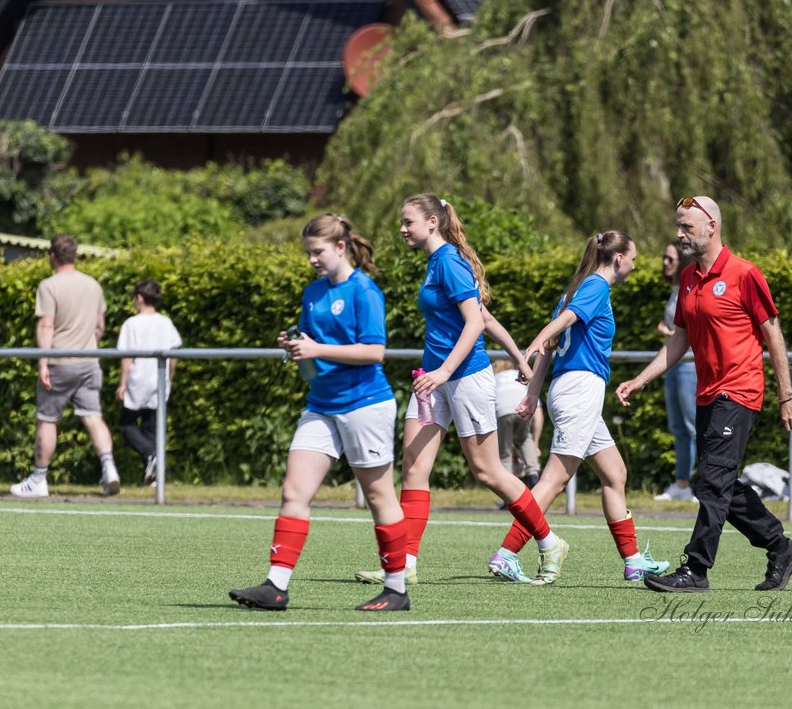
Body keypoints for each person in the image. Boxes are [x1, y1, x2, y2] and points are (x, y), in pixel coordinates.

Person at [355, 194, 565, 587]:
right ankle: (404, 565)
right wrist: (520, 358)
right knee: (414, 468)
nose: (402, 229)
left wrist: (446, 370)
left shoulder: (449, 261)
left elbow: (473, 323)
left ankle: (550, 542)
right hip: (433, 381)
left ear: (432, 221)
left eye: (408, 222)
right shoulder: (437, 262)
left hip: (465, 378)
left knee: (487, 471)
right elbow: (485, 316)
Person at [615, 196, 792, 592]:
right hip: (707, 394)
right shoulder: (688, 278)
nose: (679, 234)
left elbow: (773, 333)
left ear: (711, 227)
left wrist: (786, 395)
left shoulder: (744, 273)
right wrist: (641, 379)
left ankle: (696, 569)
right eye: (679, 226)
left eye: (686, 227)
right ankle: (780, 547)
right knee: (712, 483)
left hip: (739, 391)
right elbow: (679, 340)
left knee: (713, 481)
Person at [230, 214, 410, 612]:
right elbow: (313, 343)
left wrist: (317, 349)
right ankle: (276, 586)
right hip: (321, 404)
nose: (312, 259)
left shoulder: (365, 290)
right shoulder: (312, 292)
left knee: (379, 495)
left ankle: (397, 589)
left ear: (341, 247)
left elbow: (374, 352)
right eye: (308, 252)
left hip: (365, 403)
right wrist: (295, 345)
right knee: (294, 491)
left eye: (318, 251)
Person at [487, 232, 670, 585]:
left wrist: (532, 393)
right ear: (618, 259)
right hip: (579, 391)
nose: (635, 263)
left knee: (615, 474)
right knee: (555, 479)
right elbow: (559, 329)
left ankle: (633, 561)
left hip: (571, 391)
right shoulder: (596, 287)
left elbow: (551, 347)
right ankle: (506, 554)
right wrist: (538, 338)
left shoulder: (576, 289)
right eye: (633, 257)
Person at [11, 235, 120, 498]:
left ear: (52, 256)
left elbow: (46, 325)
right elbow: (100, 326)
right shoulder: (93, 285)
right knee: (92, 416)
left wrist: (43, 363)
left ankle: (39, 479)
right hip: (89, 361)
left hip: (60, 362)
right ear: (75, 255)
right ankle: (109, 468)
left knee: (47, 420)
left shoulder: (49, 286)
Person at [115, 280, 183, 486]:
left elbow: (127, 355)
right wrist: (169, 378)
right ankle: (153, 470)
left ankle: (150, 457)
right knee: (151, 428)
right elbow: (174, 354)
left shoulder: (132, 323)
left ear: (139, 298)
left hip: (138, 379)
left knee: (126, 425)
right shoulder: (166, 322)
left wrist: (122, 382)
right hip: (158, 378)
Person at [654, 240, 698, 502]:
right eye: (665, 258)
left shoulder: (688, 287)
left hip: (688, 366)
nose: (666, 263)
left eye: (671, 259)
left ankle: (702, 484)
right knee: (678, 427)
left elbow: (689, 333)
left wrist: (668, 332)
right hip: (674, 366)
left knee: (694, 426)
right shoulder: (675, 289)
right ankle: (681, 484)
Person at [493, 358, 541, 489]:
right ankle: (533, 477)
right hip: (523, 407)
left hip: (502, 411)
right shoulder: (522, 375)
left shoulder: (495, 378)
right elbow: (539, 414)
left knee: (505, 452)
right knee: (525, 439)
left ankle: (508, 493)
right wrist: (536, 444)